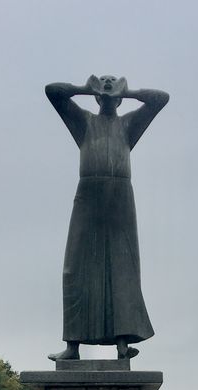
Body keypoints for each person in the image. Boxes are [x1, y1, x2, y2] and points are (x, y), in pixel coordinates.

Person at [45, 75, 169, 361]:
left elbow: (160, 98)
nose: (109, 84)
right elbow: (53, 92)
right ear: (97, 96)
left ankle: (122, 343)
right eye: (105, 83)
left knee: (122, 267)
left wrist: (130, 92)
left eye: (114, 82)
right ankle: (72, 346)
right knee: (74, 269)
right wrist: (85, 89)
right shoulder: (84, 122)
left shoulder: (128, 126)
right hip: (89, 194)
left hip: (119, 197)